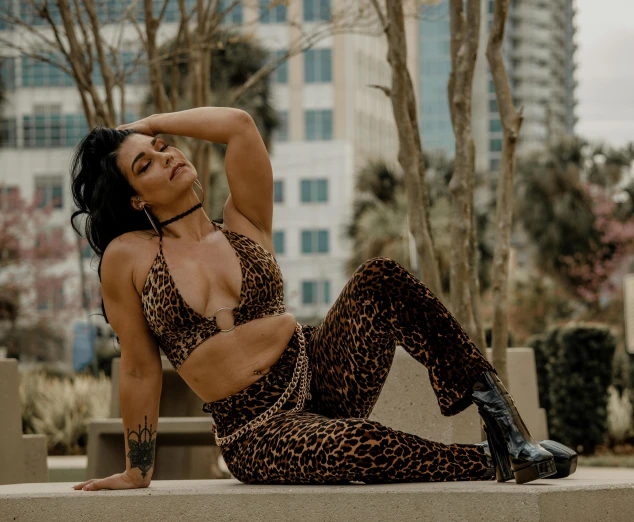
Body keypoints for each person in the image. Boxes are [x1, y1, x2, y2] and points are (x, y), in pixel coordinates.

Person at [69, 107, 573, 490]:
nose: (168, 156)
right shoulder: (129, 256)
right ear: (136, 198)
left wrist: (146, 122)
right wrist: (138, 469)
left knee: (379, 278)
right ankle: (490, 460)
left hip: (320, 370)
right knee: (359, 445)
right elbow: (138, 366)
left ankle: (508, 428)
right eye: (146, 164)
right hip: (258, 429)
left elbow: (240, 126)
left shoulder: (244, 222)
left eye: (163, 146)